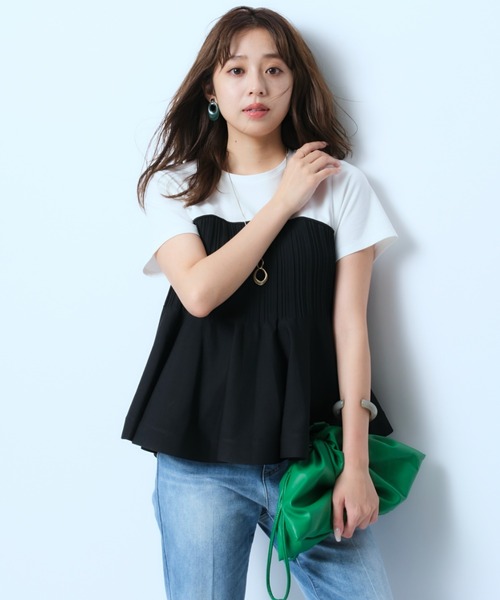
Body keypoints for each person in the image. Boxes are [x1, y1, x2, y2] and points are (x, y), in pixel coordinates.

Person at [122, 6, 398, 600]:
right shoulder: (175, 187)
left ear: (294, 82)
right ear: (211, 89)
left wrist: (356, 465)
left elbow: (351, 329)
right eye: (237, 70)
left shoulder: (340, 184)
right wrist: (284, 201)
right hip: (200, 460)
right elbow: (199, 293)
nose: (257, 87)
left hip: (311, 454)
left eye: (274, 70)